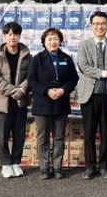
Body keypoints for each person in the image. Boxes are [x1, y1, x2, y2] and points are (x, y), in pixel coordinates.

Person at [75, 11, 107, 180]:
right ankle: (90, 166)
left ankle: (104, 166)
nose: (99, 26)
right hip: (89, 96)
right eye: (96, 24)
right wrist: (103, 73)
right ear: (91, 26)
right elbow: (83, 66)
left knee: (106, 133)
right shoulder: (84, 45)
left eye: (103, 23)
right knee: (89, 133)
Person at [28, 28, 78, 179]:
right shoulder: (37, 59)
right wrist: (47, 91)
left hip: (61, 103)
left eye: (55, 39)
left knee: (59, 137)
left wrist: (63, 90)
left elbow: (74, 78)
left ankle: (57, 167)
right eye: (49, 39)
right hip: (43, 103)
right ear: (44, 42)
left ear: (60, 41)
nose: (52, 42)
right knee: (42, 138)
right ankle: (44, 167)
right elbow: (31, 80)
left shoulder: (66, 58)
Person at [0, 21, 32, 178]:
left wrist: (22, 89)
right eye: (9, 34)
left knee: (19, 135)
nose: (12, 37)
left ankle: (16, 163)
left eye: (15, 34)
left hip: (20, 102)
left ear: (20, 36)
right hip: (3, 103)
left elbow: (31, 76)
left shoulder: (27, 56)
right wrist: (14, 90)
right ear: (4, 36)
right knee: (3, 135)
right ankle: (6, 164)